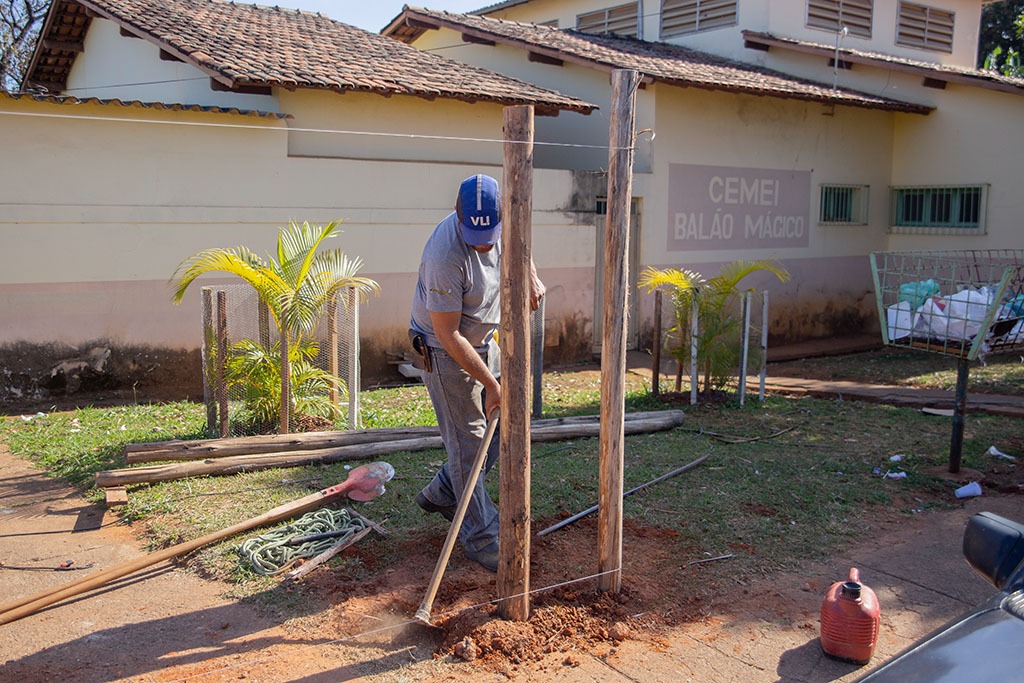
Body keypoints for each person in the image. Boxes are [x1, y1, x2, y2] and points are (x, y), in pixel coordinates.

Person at [409, 174, 544, 572]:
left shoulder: (505, 222)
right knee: (469, 443)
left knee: (503, 425)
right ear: (457, 214)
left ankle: (443, 492)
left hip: (483, 340)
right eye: (475, 235)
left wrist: (532, 273)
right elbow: (447, 334)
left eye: (492, 233)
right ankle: (482, 537)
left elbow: (518, 244)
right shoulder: (444, 254)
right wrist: (491, 384)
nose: (485, 243)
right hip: (443, 348)